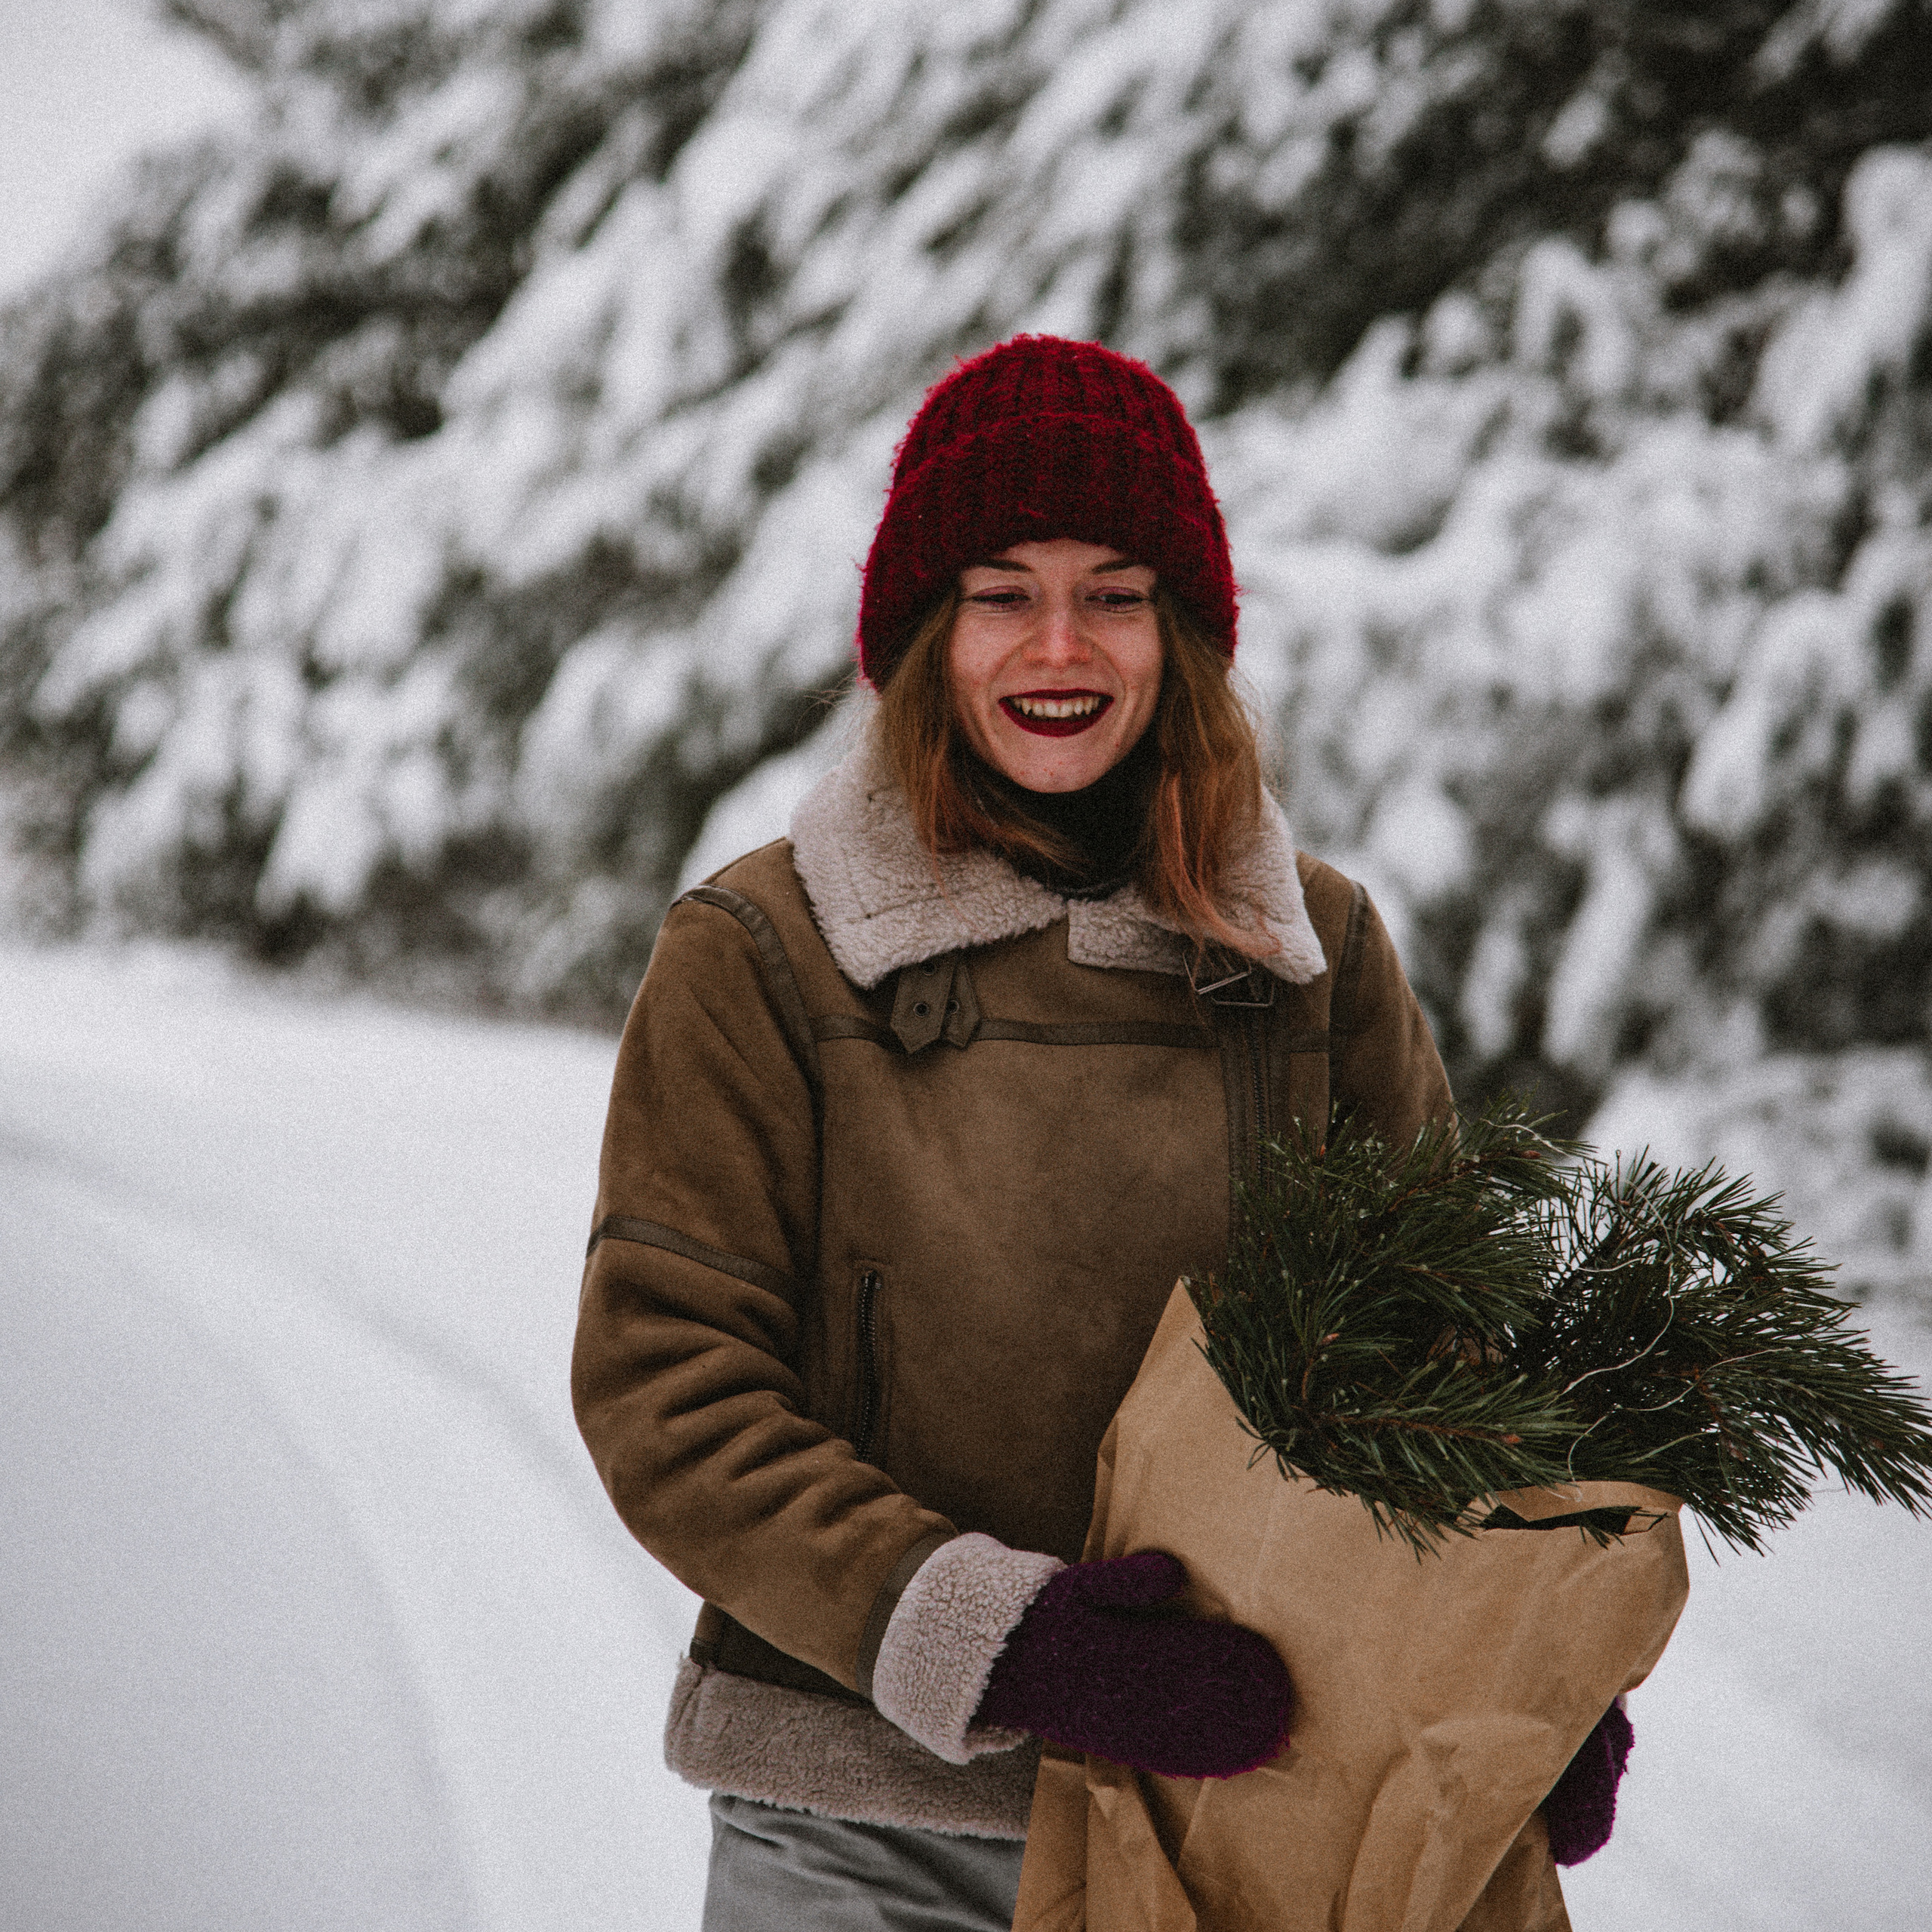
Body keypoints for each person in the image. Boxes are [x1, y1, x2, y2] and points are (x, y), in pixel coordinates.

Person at [572, 335, 1458, 1930]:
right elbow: (668, 1392)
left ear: (1179, 633)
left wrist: (1509, 1666)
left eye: (1114, 592)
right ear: (925, 631)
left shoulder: (1310, 957)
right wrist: (1003, 1637)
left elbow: (1445, 1373)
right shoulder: (763, 949)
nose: (1060, 644)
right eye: (1000, 591)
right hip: (856, 1820)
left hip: (1241, 1817)